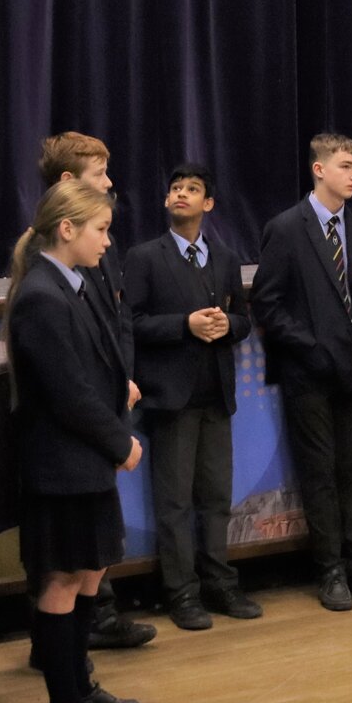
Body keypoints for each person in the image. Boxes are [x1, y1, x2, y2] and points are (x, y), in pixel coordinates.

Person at [6, 179, 143, 703]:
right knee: (63, 578)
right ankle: (67, 698)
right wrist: (120, 443)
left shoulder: (72, 283)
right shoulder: (41, 295)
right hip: (61, 467)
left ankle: (82, 686)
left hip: (83, 463)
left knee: (90, 570)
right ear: (67, 229)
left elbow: (92, 364)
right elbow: (66, 393)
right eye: (101, 230)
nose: (108, 242)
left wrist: (118, 388)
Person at [250, 135, 352, 612]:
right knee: (320, 474)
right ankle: (329, 569)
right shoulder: (287, 228)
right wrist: (311, 348)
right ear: (319, 169)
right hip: (310, 374)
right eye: (345, 165)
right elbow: (268, 304)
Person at [122, 163, 259, 631]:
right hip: (170, 399)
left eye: (192, 189)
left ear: (209, 203)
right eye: (175, 188)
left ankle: (221, 582)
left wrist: (227, 326)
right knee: (175, 502)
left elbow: (241, 318)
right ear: (166, 201)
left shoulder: (224, 256)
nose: (181, 194)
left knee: (216, 496)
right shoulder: (144, 257)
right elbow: (132, 324)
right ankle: (181, 592)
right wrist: (185, 324)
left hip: (215, 395)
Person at [36, 131, 155, 653]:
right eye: (99, 176)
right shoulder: (49, 272)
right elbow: (66, 375)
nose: (111, 183)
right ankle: (64, 648)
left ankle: (91, 625)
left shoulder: (96, 250)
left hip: (108, 404)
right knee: (69, 557)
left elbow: (116, 321)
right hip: (73, 438)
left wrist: (121, 378)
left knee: (95, 548)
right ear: (68, 186)